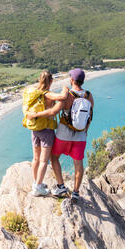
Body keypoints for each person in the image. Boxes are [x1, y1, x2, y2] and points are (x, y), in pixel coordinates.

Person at [27, 68, 93, 202]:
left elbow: (54, 112)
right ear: (82, 80)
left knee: (54, 157)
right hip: (80, 136)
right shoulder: (88, 95)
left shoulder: (68, 95)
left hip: (63, 134)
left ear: (72, 80)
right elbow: (90, 116)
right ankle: (75, 192)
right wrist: (85, 130)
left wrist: (35, 115)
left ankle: (61, 186)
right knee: (78, 164)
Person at [21, 71, 68, 196]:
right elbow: (62, 97)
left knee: (35, 158)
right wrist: (65, 88)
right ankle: (38, 188)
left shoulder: (33, 92)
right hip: (46, 130)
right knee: (43, 161)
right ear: (51, 81)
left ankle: (36, 183)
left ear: (39, 80)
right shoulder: (47, 94)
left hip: (35, 129)